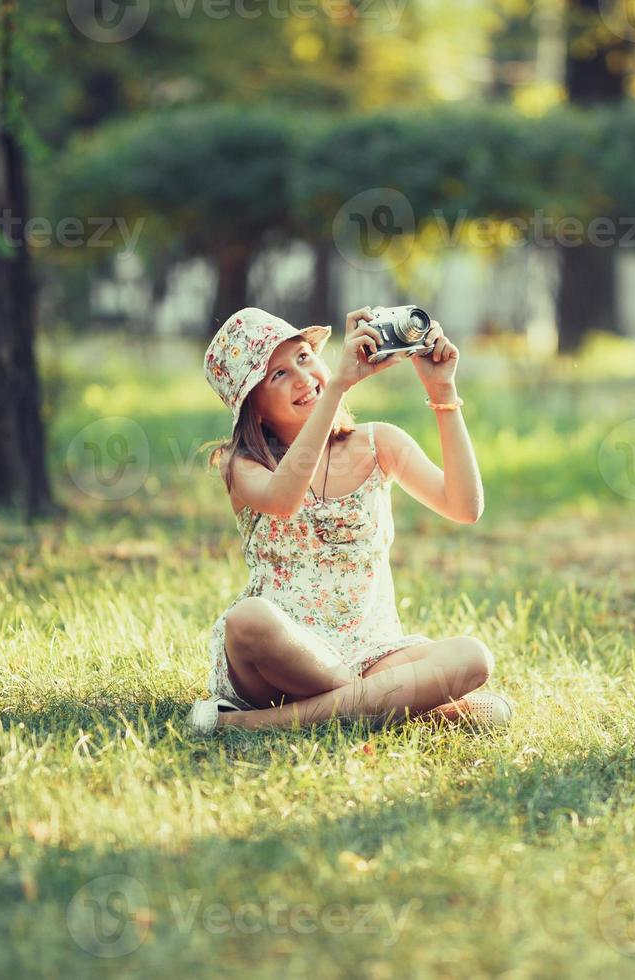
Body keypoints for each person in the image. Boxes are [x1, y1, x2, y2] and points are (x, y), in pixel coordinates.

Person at [188, 306, 512, 735]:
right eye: (278, 376)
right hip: (278, 660)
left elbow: (465, 507)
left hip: (374, 651)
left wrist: (443, 392)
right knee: (247, 619)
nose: (303, 378)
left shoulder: (378, 443)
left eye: (304, 357)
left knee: (472, 657)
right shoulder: (243, 464)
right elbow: (285, 499)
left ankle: (258, 724)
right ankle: (407, 707)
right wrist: (339, 387)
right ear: (256, 409)